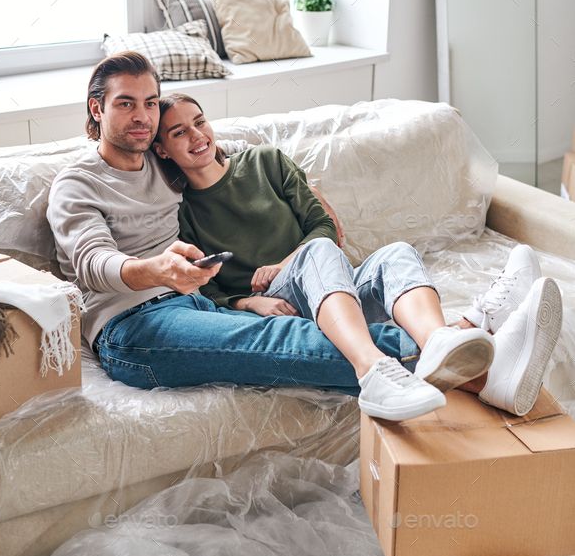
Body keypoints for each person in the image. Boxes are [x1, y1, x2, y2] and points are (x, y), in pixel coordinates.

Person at [47, 54, 562, 423]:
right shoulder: (77, 182)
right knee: (283, 340)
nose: (142, 117)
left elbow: (241, 177)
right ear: (97, 110)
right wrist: (158, 269)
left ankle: (470, 354)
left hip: (200, 308)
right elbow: (94, 263)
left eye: (150, 104)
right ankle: (479, 340)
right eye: (125, 104)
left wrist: (310, 203)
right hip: (133, 327)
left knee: (372, 269)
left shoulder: (170, 171)